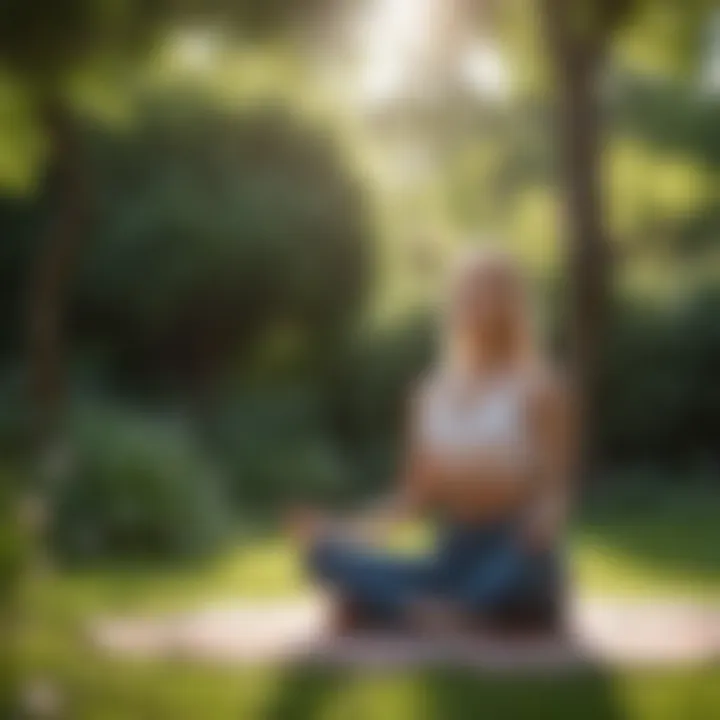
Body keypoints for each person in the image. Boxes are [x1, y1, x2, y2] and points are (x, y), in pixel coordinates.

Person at [289, 247, 575, 633]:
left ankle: (407, 609)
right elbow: (411, 497)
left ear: (512, 303)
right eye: (464, 290)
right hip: (453, 549)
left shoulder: (541, 388)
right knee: (323, 554)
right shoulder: (428, 393)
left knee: (514, 577)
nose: (473, 299)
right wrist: (342, 530)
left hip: (514, 544)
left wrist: (542, 522)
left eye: (487, 289)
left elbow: (555, 491)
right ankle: (455, 612)